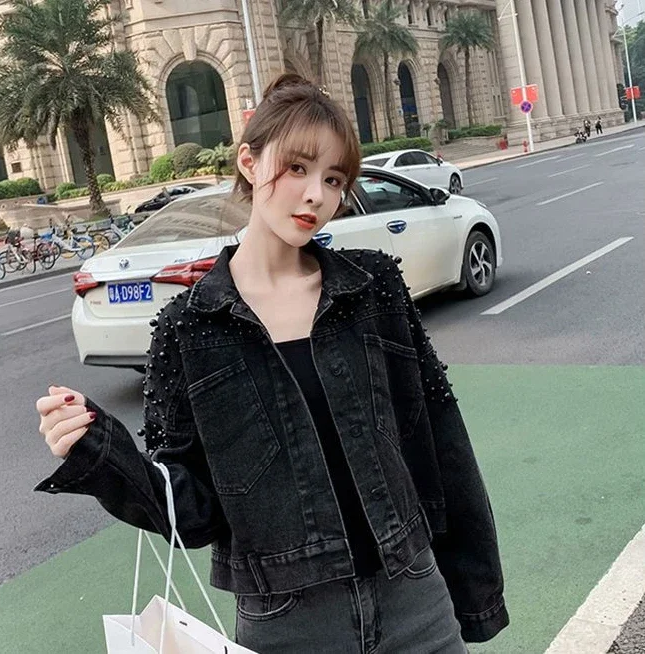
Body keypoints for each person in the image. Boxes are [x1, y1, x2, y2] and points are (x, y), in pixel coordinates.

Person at [34, 73, 508, 653]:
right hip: (286, 623)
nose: (316, 196)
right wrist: (100, 450)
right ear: (249, 162)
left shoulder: (372, 288)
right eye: (298, 168)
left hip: (414, 598)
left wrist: (475, 591)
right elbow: (192, 510)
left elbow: (439, 439)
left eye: (334, 179)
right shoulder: (189, 328)